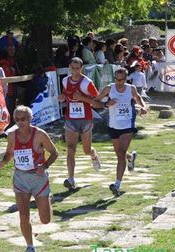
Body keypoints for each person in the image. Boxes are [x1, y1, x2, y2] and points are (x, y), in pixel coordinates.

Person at [0, 105, 58, 252]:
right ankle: (30, 247)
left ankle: (47, 200)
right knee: (23, 215)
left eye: (23, 119)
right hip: (21, 178)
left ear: (30, 119)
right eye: (17, 119)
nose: (20, 122)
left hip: (39, 179)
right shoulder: (12, 136)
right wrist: (3, 162)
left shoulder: (40, 135)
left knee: (45, 220)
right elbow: (9, 152)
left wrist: (44, 166)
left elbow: (54, 152)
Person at [79, 68, 148, 196]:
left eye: (121, 80)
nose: (119, 82)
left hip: (127, 124)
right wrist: (106, 105)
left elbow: (138, 98)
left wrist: (143, 107)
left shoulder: (130, 88)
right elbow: (95, 102)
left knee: (120, 154)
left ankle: (117, 185)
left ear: (126, 79)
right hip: (113, 125)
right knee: (120, 154)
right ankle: (131, 157)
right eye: (116, 79)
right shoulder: (109, 89)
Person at [58, 57, 101, 191]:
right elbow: (66, 93)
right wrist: (63, 97)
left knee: (86, 150)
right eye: (72, 68)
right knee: (70, 149)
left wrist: (82, 98)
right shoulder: (65, 80)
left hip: (85, 119)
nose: (75, 71)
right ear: (69, 67)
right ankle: (71, 179)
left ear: (81, 68)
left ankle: (94, 156)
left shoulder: (86, 83)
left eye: (77, 69)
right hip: (71, 118)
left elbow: (98, 102)